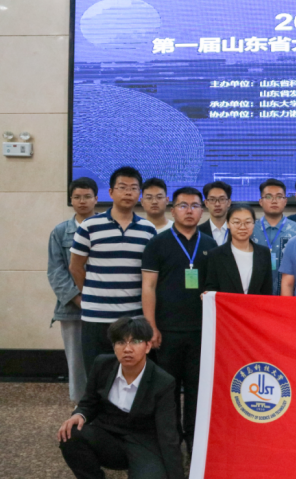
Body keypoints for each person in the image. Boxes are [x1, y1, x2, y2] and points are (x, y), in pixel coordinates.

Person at [57, 316, 184, 480]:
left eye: (136, 342)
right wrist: (79, 414)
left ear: (148, 346)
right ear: (114, 346)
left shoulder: (163, 382)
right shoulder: (102, 364)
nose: (127, 349)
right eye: (121, 342)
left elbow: (168, 435)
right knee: (71, 433)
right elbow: (89, 402)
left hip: (143, 443)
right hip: (108, 437)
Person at [141, 187, 218, 454]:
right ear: (172, 210)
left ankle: (196, 445)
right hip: (167, 331)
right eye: (183, 205)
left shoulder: (210, 245)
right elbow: (148, 286)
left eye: (195, 206)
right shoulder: (157, 243)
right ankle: (170, 445)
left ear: (202, 210)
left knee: (198, 391)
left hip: (201, 332)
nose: (189, 211)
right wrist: (151, 326)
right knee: (168, 391)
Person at [70, 167, 157, 375]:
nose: (128, 192)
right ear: (110, 192)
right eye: (122, 187)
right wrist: (92, 293)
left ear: (139, 194)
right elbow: (75, 267)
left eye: (133, 188)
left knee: (132, 374)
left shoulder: (148, 230)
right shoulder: (89, 226)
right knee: (97, 375)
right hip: (96, 318)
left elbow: (149, 276)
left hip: (133, 318)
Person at [48, 177, 98, 405]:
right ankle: (81, 406)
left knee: (105, 357)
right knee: (77, 361)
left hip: (104, 306)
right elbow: (56, 272)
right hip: (72, 309)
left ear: (96, 199)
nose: (82, 201)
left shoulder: (105, 227)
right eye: (77, 197)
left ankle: (106, 406)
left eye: (87, 196)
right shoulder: (60, 232)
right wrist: (78, 299)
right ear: (71, 200)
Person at [204, 204, 273, 295]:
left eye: (247, 222)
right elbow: (211, 288)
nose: (242, 227)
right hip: (227, 304)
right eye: (237, 222)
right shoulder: (215, 255)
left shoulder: (264, 253)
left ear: (253, 224)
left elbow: (267, 291)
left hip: (255, 304)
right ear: (228, 224)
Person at [250, 179, 296, 295]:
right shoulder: (251, 229)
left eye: (279, 197)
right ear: (260, 202)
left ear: (285, 201)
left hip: (289, 295)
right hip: (255, 295)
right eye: (268, 197)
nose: (274, 201)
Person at [199, 181, 232, 246]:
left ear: (228, 202)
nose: (217, 204)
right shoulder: (198, 232)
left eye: (222, 199)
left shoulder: (238, 230)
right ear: (206, 203)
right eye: (212, 199)